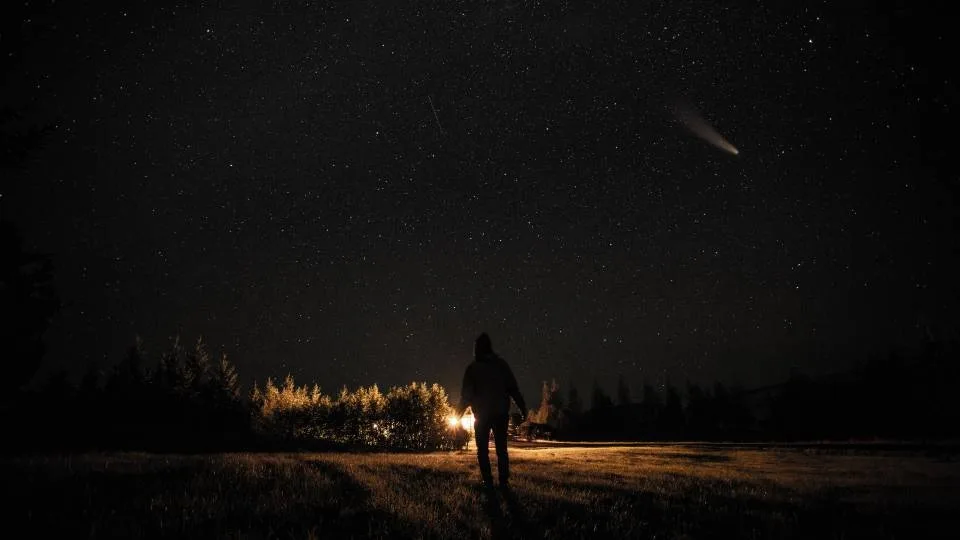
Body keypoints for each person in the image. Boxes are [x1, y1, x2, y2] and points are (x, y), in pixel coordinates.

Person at [457, 332, 528, 489]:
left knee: (482, 450)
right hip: (501, 413)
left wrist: (457, 414)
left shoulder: (472, 369)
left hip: (482, 415)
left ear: (476, 349)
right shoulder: (501, 365)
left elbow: (466, 397)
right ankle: (503, 481)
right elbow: (513, 389)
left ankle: (488, 481)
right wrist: (523, 408)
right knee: (501, 450)